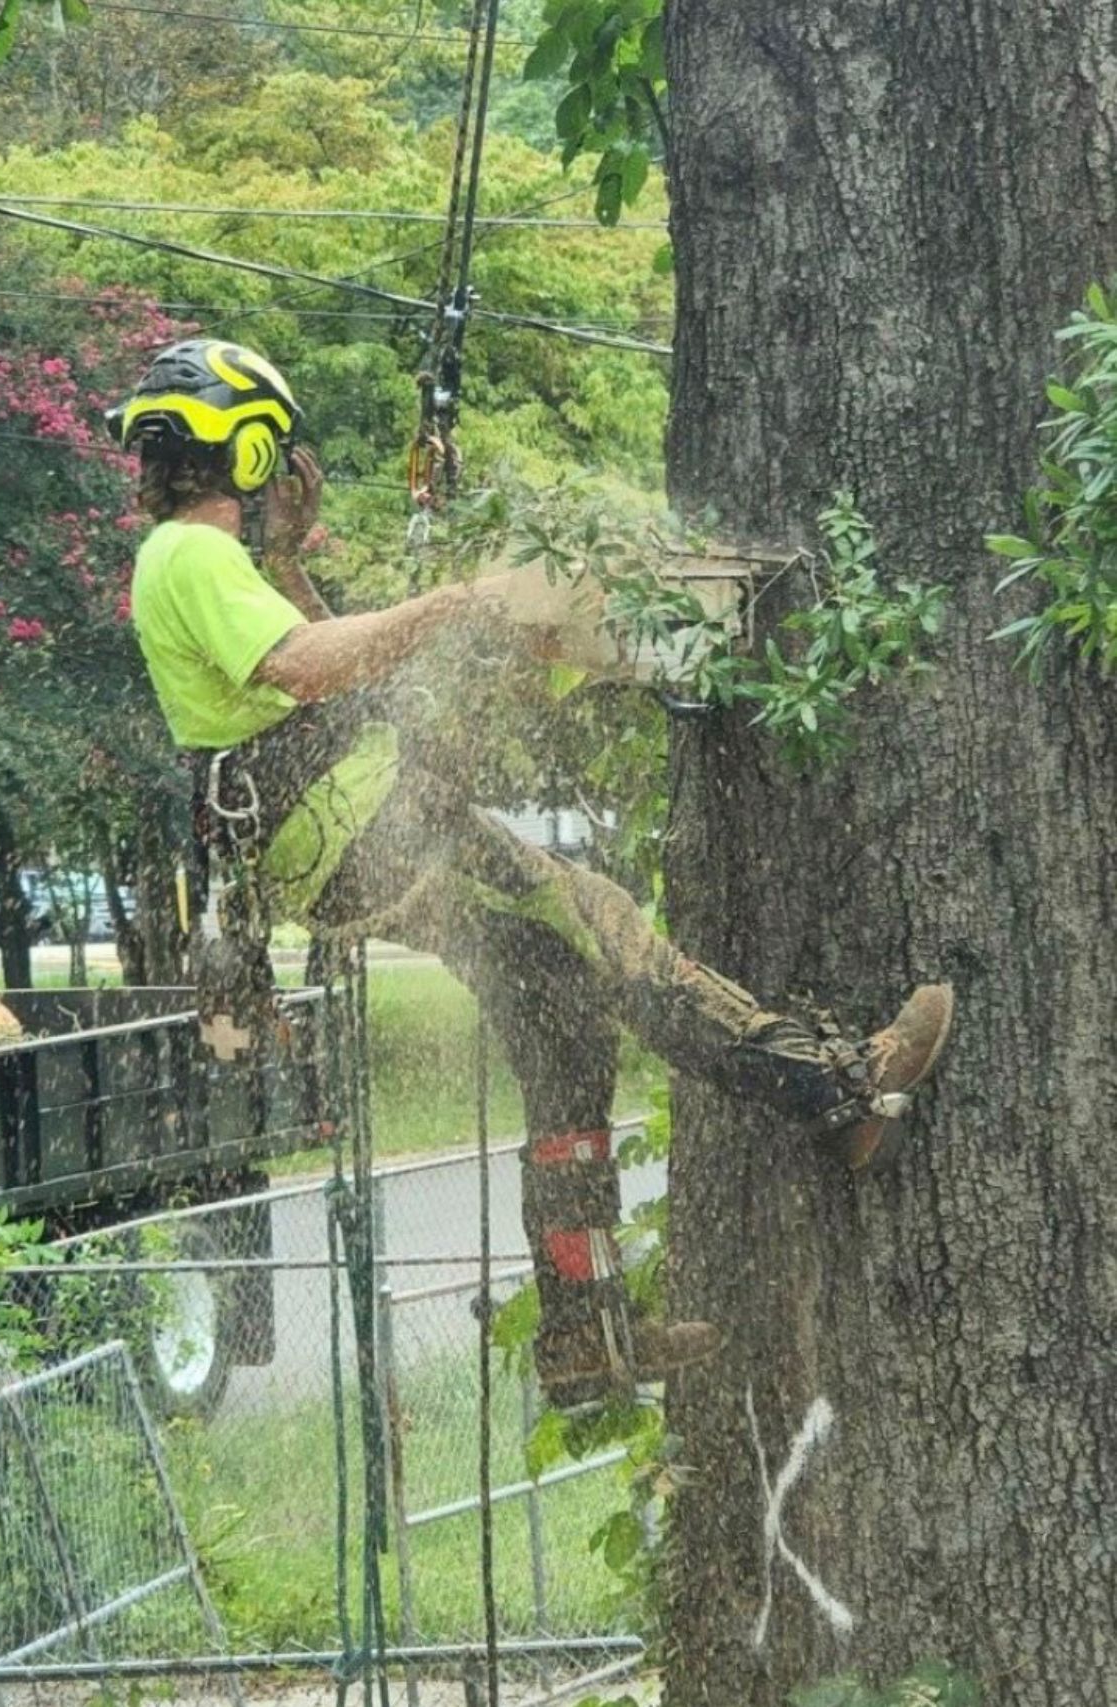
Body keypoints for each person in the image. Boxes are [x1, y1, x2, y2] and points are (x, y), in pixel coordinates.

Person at [110, 339, 954, 1407]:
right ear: (252, 445)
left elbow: (308, 654)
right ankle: (838, 1086)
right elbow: (314, 668)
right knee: (603, 923)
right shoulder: (185, 557)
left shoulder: (213, 565)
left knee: (560, 1015)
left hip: (343, 835)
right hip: (360, 825)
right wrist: (460, 602)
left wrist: (287, 559)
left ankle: (583, 1332)